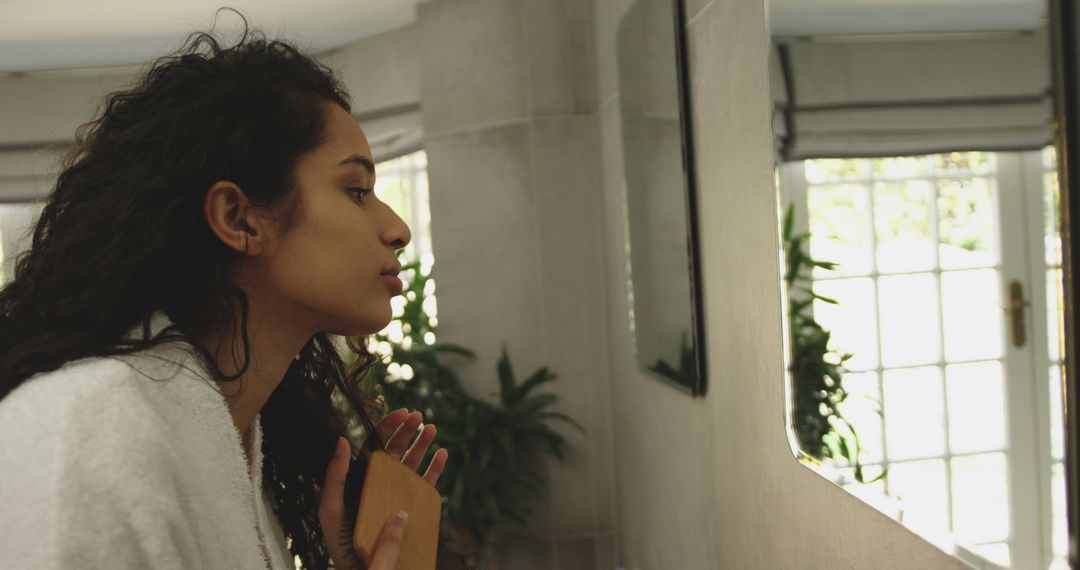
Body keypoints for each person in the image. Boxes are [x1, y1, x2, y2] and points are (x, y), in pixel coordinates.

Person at [0, 21, 446, 570]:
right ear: (238, 218)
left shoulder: (235, 455)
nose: (398, 228)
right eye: (356, 191)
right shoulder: (85, 436)